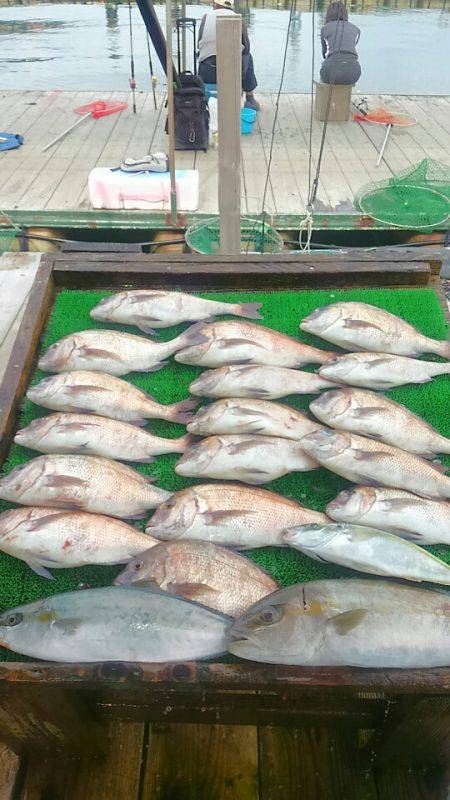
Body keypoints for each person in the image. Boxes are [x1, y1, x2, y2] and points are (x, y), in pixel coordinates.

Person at [198, 0, 260, 111]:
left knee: (202, 55)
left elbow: (199, 43)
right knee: (248, 57)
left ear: (215, 4)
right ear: (231, 6)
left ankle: (202, 96)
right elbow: (246, 48)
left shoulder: (205, 17)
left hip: (207, 72)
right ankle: (250, 98)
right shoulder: (239, 19)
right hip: (232, 73)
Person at [320, 2, 361, 86]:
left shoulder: (325, 29)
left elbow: (325, 54)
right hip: (354, 72)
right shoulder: (356, 30)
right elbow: (350, 49)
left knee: (326, 69)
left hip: (331, 72)